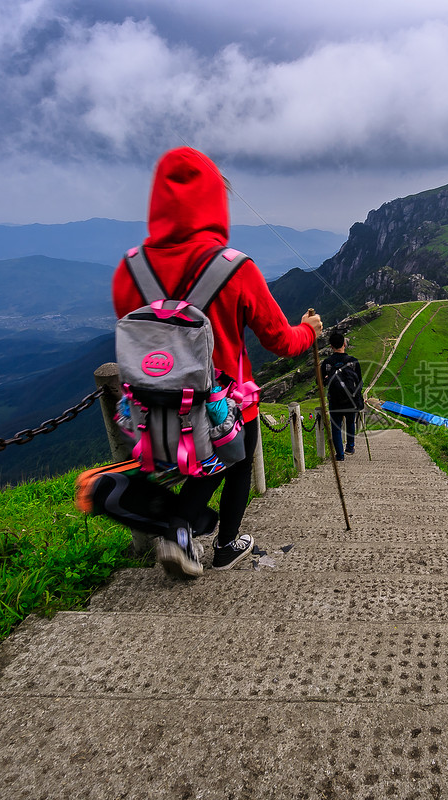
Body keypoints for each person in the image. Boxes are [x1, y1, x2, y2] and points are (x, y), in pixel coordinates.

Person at [112, 147, 322, 578]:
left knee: (201, 460)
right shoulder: (234, 269)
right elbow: (280, 341)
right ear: (213, 201)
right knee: (236, 461)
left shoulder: (129, 269)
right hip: (223, 402)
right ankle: (222, 544)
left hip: (152, 402)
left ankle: (180, 532)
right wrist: (311, 332)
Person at [320, 331, 364, 461]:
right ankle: (350, 447)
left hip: (335, 400)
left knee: (336, 427)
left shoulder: (327, 363)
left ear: (331, 346)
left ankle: (340, 455)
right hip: (351, 399)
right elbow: (360, 381)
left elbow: (320, 382)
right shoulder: (353, 362)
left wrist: (327, 378)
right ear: (344, 344)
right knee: (351, 422)